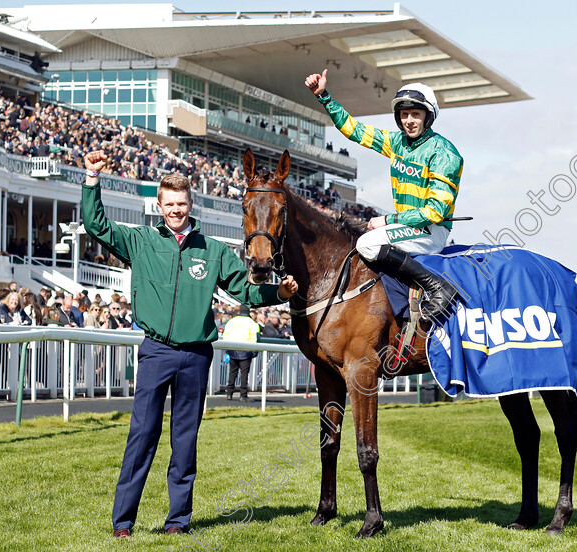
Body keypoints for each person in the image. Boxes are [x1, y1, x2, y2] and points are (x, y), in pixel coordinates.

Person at [81, 150, 298, 538]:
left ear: (190, 205)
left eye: (182, 204)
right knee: (142, 436)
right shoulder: (140, 241)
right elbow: (96, 225)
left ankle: (178, 521)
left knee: (184, 441)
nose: (176, 210)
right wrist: (92, 180)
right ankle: (123, 523)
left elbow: (246, 291)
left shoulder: (211, 250)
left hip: (196, 356)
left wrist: (277, 293)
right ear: (160, 206)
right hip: (156, 352)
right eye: (170, 204)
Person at [305, 69, 463, 319]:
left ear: (428, 117)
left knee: (367, 243)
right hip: (410, 228)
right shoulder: (396, 142)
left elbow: (435, 212)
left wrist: (388, 220)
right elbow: (354, 130)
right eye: (404, 115)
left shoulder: (444, 153)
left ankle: (439, 288)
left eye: (415, 114)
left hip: (431, 230)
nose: (409, 120)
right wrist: (324, 95)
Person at [220, 304, 260, 402]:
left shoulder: (231, 321)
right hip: (246, 350)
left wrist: (227, 349)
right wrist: (254, 351)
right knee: (244, 374)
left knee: (232, 372)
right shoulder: (252, 323)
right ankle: (243, 395)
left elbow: (226, 334)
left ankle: (229, 393)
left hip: (232, 349)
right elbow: (256, 338)